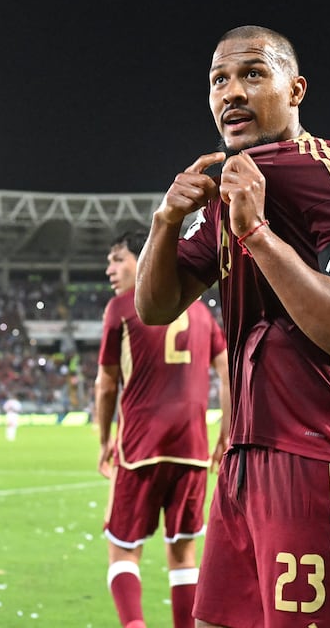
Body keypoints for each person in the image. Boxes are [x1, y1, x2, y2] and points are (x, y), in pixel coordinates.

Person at [135, 25, 330, 628]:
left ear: (295, 89)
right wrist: (165, 221)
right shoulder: (228, 186)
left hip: (322, 455)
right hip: (243, 459)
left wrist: (256, 233)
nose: (232, 92)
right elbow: (156, 306)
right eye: (219, 80)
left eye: (253, 74)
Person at [95, 231, 230, 628]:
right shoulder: (201, 313)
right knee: (184, 555)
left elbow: (106, 384)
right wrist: (226, 430)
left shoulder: (122, 307)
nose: (110, 269)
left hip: (139, 446)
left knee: (122, 550)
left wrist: (104, 440)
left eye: (118, 259)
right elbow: (228, 370)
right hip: (192, 449)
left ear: (145, 258)